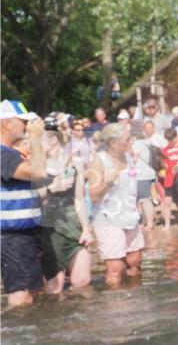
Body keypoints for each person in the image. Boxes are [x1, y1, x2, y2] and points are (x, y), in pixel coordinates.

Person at [1, 100, 54, 307]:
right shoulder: (2, 154)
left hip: (26, 234)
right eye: (22, 121)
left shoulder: (10, 153)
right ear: (7, 123)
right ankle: (17, 333)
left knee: (32, 290)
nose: (26, 125)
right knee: (21, 294)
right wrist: (35, 138)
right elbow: (38, 172)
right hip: (12, 237)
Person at [88, 122, 144, 286]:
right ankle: (116, 307)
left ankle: (135, 300)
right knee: (116, 268)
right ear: (113, 143)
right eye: (127, 139)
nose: (131, 141)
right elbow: (92, 196)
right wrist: (108, 183)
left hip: (130, 216)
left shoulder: (128, 157)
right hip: (108, 219)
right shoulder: (99, 162)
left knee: (135, 262)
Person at [40, 130, 93, 294]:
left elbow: (79, 199)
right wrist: (51, 188)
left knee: (82, 281)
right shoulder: (36, 165)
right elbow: (32, 197)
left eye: (39, 142)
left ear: (53, 140)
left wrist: (86, 228)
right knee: (55, 287)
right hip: (49, 229)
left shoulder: (75, 164)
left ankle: (81, 318)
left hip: (73, 226)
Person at [160, 127, 178, 231]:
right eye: (168, 140)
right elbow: (164, 166)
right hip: (169, 179)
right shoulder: (165, 150)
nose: (170, 142)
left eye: (172, 140)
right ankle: (167, 225)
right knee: (167, 202)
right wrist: (161, 161)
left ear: (176, 137)